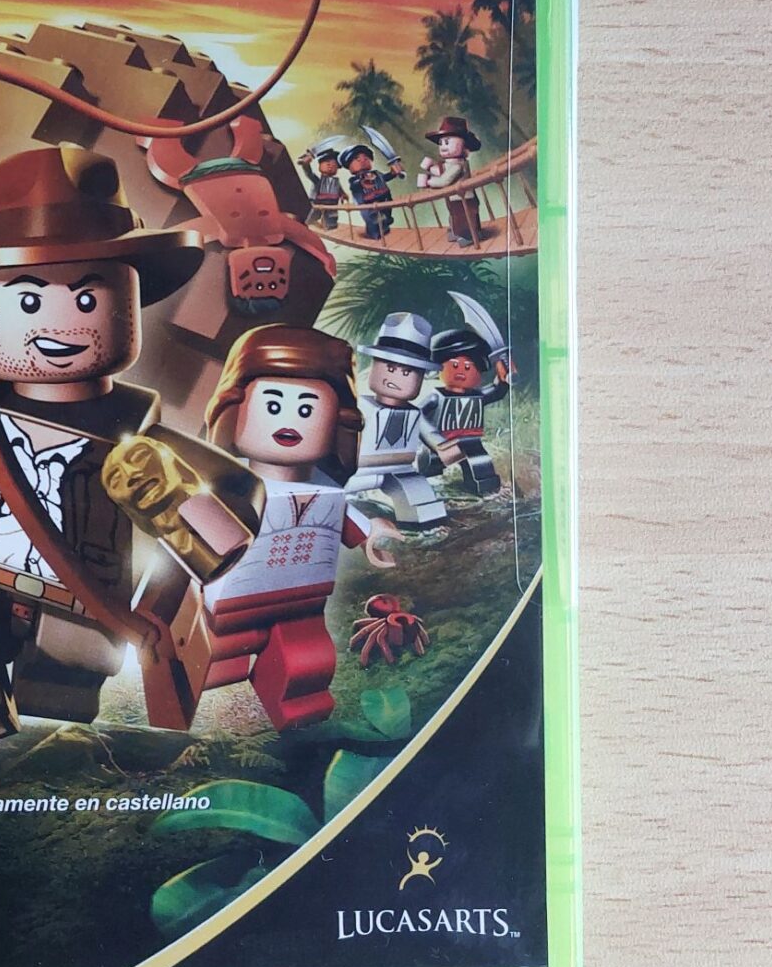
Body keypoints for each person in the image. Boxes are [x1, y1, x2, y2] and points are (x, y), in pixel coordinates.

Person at [0, 145, 259, 759]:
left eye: (87, 299)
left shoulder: (136, 440)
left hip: (80, 605)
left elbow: (237, 491)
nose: (60, 326)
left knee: (62, 722)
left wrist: (175, 569)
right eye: (29, 300)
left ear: (128, 302)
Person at [164, 326, 393, 730]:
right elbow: (189, 524)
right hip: (231, 601)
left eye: (307, 410)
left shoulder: (325, 489)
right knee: (211, 664)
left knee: (306, 667)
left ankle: (298, 726)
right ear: (234, 412)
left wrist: (370, 536)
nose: (290, 420)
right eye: (273, 405)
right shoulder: (230, 487)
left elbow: (345, 517)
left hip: (304, 600)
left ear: (337, 423)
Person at [346, 312, 462, 529]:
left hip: (401, 469)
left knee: (424, 505)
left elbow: (431, 434)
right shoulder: (360, 406)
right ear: (374, 365)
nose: (395, 377)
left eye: (407, 372)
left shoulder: (415, 413)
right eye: (389, 368)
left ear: (421, 378)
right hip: (356, 471)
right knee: (330, 496)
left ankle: (424, 528)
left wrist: (444, 448)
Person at [427, 311, 513, 498]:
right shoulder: (436, 397)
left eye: (468, 367)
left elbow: (498, 391)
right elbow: (418, 417)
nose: (461, 371)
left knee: (482, 469)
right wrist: (431, 439)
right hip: (440, 444)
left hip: (470, 442)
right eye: (454, 365)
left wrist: (504, 375)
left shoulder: (478, 396)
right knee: (429, 469)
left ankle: (487, 493)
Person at [415, 115, 486, 244]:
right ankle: (457, 232)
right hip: (455, 198)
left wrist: (428, 181)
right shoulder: (451, 163)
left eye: (447, 142)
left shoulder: (458, 165)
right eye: (441, 143)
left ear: (464, 145)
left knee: (464, 218)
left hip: (464, 199)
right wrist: (431, 168)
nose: (443, 146)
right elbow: (443, 172)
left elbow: (445, 181)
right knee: (454, 216)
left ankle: (468, 236)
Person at [343, 142, 398, 242]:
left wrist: (394, 170)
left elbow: (387, 177)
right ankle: (374, 234)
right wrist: (364, 181)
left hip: (385, 200)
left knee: (386, 217)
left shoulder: (377, 173)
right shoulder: (354, 180)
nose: (363, 160)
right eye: (357, 159)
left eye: (366, 158)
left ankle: (385, 229)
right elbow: (357, 186)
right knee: (374, 221)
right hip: (368, 206)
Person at [299, 136, 351, 229]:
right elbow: (309, 173)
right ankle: (312, 224)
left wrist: (343, 194)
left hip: (332, 205)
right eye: (326, 162)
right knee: (312, 218)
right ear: (320, 165)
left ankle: (330, 225)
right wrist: (305, 165)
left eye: (334, 164)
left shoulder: (336, 182)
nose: (330, 165)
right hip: (318, 204)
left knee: (332, 220)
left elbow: (339, 189)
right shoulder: (317, 181)